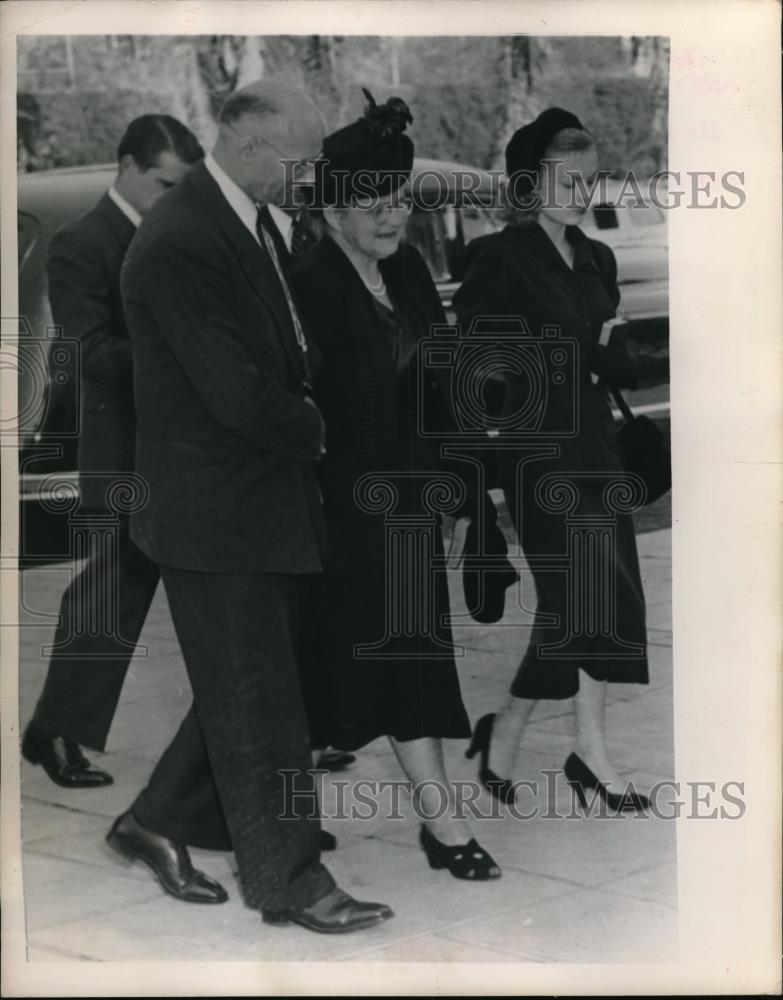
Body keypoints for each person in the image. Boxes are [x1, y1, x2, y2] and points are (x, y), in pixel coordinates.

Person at [110, 78, 392, 934]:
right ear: (250, 146)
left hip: (257, 498)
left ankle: (152, 823)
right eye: (301, 161)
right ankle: (291, 883)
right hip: (214, 510)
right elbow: (236, 392)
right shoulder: (181, 237)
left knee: (255, 682)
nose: (307, 177)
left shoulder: (243, 216)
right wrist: (318, 427)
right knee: (260, 701)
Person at [290, 90, 501, 881]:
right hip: (338, 515)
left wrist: (457, 491)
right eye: (373, 203)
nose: (391, 217)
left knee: (410, 661)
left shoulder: (408, 269)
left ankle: (439, 824)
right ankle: (286, 818)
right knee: (325, 671)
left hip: (411, 507)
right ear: (336, 210)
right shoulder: (305, 284)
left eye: (401, 201)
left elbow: (441, 382)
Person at [454, 107, 650, 812]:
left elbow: (613, 346)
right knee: (575, 598)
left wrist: (619, 360)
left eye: (589, 178)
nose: (581, 192)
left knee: (601, 598)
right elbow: (475, 370)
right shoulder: (499, 258)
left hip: (595, 446)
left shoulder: (596, 255)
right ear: (530, 184)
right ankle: (551, 741)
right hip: (538, 455)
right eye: (568, 179)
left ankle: (565, 744)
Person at [22, 115, 204, 789]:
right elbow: (90, 354)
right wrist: (184, 357)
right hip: (124, 452)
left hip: (184, 448)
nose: (173, 197)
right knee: (111, 597)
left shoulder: (176, 235)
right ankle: (54, 732)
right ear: (126, 166)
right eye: (164, 183)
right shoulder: (81, 242)